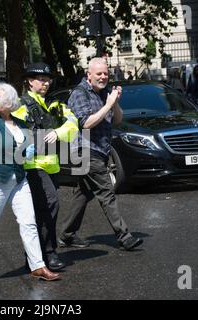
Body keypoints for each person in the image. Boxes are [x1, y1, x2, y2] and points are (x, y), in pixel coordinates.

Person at [0, 77, 60, 283]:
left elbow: (26, 149)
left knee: (28, 223)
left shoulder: (20, 123)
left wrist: (29, 150)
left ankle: (38, 266)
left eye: (0, 96)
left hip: (18, 178)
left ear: (11, 101)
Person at [58, 57, 143, 251]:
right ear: (89, 76)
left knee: (83, 193)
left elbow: (117, 120)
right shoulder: (80, 94)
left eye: (106, 73)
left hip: (99, 151)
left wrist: (114, 103)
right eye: (99, 74)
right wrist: (107, 104)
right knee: (106, 192)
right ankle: (124, 236)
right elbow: (86, 123)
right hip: (85, 151)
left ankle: (67, 234)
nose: (103, 77)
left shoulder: (104, 94)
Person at [13, 62, 79, 271]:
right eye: (41, 80)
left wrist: (58, 133)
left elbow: (73, 124)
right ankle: (48, 253)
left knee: (41, 211)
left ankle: (33, 257)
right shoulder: (21, 105)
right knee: (51, 205)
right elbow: (15, 133)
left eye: (47, 79)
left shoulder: (54, 103)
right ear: (30, 82)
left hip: (51, 165)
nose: (45, 83)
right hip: (32, 165)